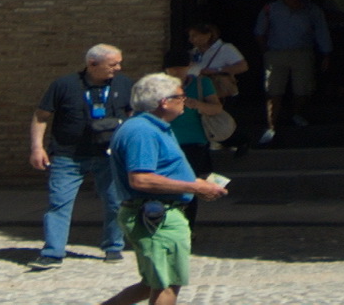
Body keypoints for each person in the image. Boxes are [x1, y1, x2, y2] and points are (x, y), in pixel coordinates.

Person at [103, 73, 224, 305]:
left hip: (161, 213)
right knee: (167, 285)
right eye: (180, 96)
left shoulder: (153, 127)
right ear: (164, 102)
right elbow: (140, 179)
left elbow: (162, 171)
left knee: (151, 283)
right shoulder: (142, 131)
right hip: (156, 217)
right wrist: (193, 186)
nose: (184, 101)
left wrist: (198, 184)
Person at [30, 43, 134, 271]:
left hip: (109, 155)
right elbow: (41, 116)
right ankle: (53, 252)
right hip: (68, 155)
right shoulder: (64, 85)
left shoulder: (124, 84)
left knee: (116, 202)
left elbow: (133, 115)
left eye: (119, 63)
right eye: (113, 64)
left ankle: (113, 246)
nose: (118, 68)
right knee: (59, 203)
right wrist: (37, 148)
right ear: (92, 63)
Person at [248, 0, 334, 150]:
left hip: (303, 52)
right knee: (273, 90)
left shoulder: (312, 10)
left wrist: (326, 53)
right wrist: (265, 52)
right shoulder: (271, 8)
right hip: (276, 53)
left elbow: (321, 31)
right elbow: (259, 31)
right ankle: (271, 126)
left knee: (303, 89)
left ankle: (296, 114)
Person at [173, 22, 245, 174]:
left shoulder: (225, 49)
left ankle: (240, 142)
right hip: (201, 92)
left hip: (221, 91)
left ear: (208, 35)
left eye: (195, 35)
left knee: (220, 122)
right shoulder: (193, 53)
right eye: (190, 36)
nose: (191, 39)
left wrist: (216, 70)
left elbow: (242, 66)